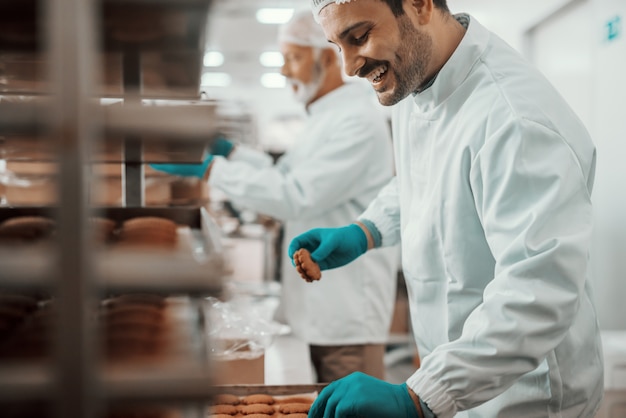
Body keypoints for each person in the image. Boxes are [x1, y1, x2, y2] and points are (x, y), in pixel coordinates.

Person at [288, 0, 604, 417]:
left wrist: (419, 396)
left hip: (525, 398)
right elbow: (426, 179)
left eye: (359, 36)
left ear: (419, 5)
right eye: (337, 45)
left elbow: (539, 290)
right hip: (460, 389)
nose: (349, 67)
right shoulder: (417, 81)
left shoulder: (513, 118)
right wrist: (368, 230)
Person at [151, 9, 400, 383]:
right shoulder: (323, 118)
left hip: (347, 316)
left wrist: (211, 170)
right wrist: (231, 152)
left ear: (327, 58)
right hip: (321, 310)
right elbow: (285, 174)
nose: (284, 71)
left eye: (293, 58)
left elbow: (294, 195)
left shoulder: (357, 121)